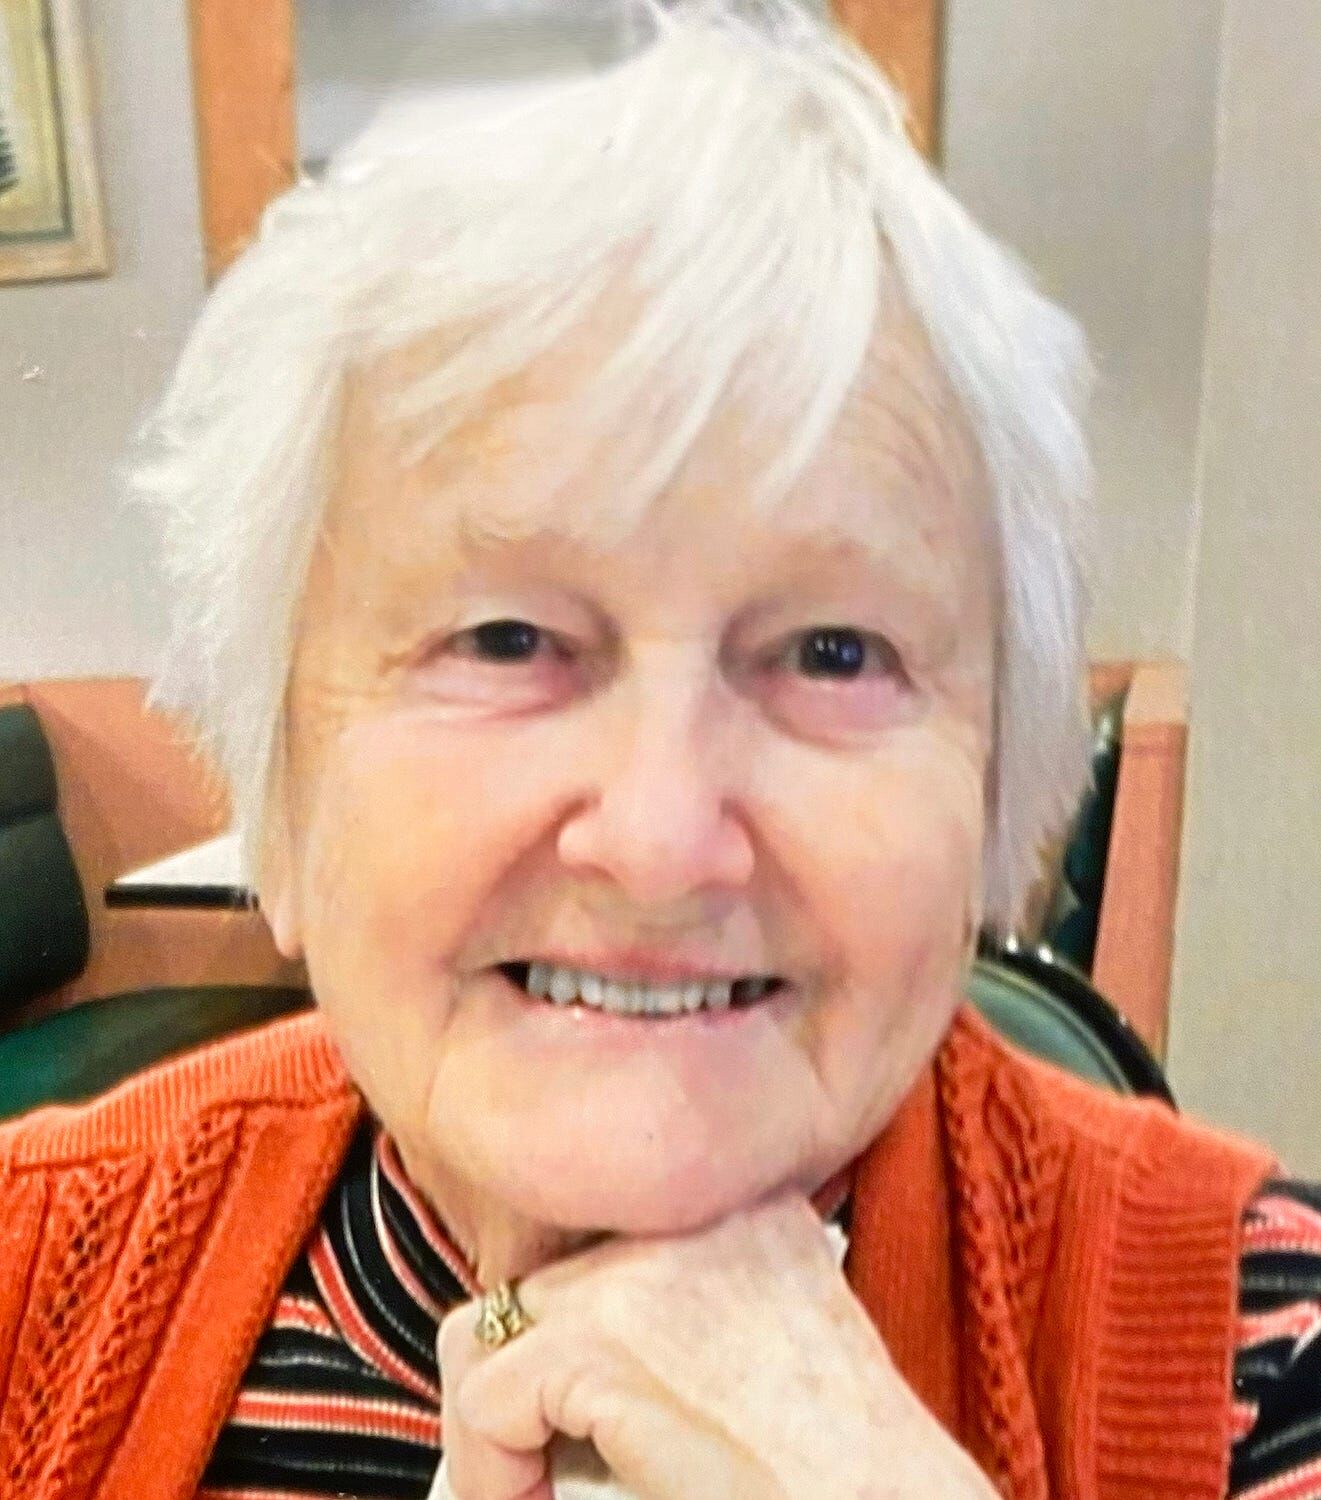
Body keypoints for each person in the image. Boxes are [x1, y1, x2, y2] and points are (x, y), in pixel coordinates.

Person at [2, 5, 1317, 1498]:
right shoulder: (30, 1281)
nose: (659, 838)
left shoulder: (1263, 1360)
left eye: (832, 653)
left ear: (999, 798)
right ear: (282, 799)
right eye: (505, 638)